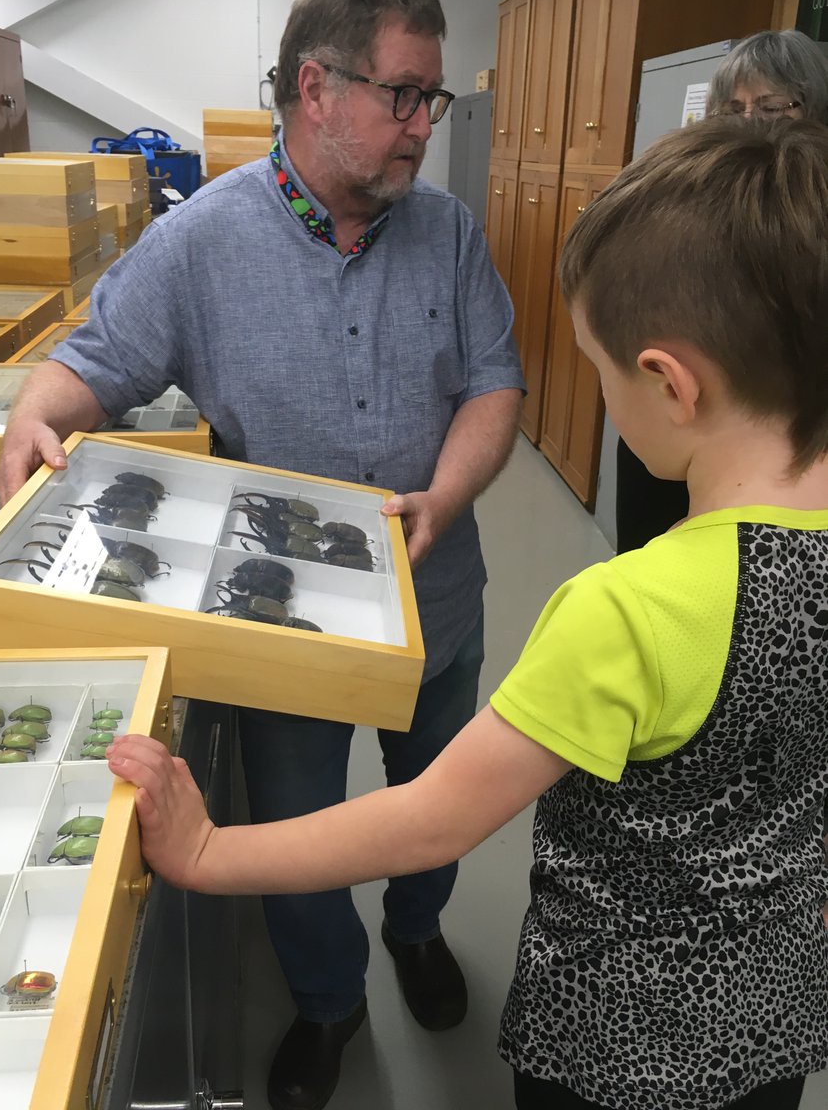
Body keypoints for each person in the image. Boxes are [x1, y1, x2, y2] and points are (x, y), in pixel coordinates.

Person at [107, 117, 828, 1110]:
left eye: (602, 370)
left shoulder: (630, 611)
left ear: (670, 384)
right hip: (776, 1021)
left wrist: (205, 850)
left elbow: (432, 818)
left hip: (613, 1045)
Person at [0, 0, 524, 1110]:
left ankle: (419, 928)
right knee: (295, 825)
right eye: (403, 95)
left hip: (439, 599)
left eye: (431, 99)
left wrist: (445, 494)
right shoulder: (201, 243)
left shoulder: (447, 232)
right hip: (281, 631)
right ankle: (330, 1002)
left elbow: (494, 384)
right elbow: (94, 363)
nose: (423, 126)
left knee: (436, 798)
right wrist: (37, 415)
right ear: (315, 88)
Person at [615, 27, 828, 555]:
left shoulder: (814, 212)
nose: (751, 122)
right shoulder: (686, 191)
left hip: (776, 446)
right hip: (677, 421)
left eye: (773, 107)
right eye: (733, 109)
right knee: (652, 559)